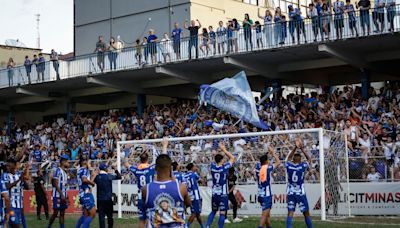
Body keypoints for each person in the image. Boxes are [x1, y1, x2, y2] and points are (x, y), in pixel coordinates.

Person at [124, 139, 168, 227]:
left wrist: (127, 150)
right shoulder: (151, 168)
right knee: (154, 218)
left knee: (142, 219)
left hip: (141, 196)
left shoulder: (136, 169)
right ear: (148, 159)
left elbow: (126, 163)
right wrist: (164, 146)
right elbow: (163, 161)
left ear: (140, 160)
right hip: (150, 195)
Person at [140, 154, 191, 228]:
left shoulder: (146, 189)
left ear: (155, 168)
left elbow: (144, 210)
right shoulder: (181, 187)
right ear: (171, 168)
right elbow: (188, 204)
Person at [206, 142, 235, 228]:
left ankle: (207, 226)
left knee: (213, 211)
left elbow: (213, 159)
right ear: (221, 160)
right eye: (223, 159)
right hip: (223, 194)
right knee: (222, 213)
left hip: (215, 193)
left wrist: (217, 152)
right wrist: (223, 149)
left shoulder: (212, 167)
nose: (224, 160)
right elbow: (232, 158)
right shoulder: (224, 167)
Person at [285, 139, 313, 228]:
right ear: (300, 159)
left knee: (290, 212)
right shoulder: (303, 166)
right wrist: (301, 149)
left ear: (293, 159)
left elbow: (288, 158)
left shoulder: (289, 165)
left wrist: (294, 148)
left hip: (291, 192)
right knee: (306, 213)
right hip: (300, 193)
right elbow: (309, 159)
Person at [255, 144, 281, 228]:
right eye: (268, 160)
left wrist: (267, 153)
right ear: (266, 161)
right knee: (264, 215)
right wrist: (273, 152)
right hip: (266, 195)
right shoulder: (268, 167)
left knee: (267, 215)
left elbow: (262, 161)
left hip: (260, 194)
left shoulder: (257, 167)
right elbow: (278, 162)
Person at [3, 159, 29, 228]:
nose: (7, 167)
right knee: (16, 225)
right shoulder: (5, 175)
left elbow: (27, 187)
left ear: (14, 166)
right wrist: (18, 180)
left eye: (9, 166)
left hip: (19, 206)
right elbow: (7, 186)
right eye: (7, 166)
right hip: (11, 206)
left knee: (12, 225)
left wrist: (22, 178)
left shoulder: (19, 174)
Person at [94, 163, 121, 228]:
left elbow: (93, 180)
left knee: (101, 217)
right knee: (109, 216)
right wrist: (115, 169)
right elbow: (119, 177)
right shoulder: (109, 176)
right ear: (105, 169)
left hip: (100, 199)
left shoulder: (97, 177)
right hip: (108, 199)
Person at [48, 154, 70, 228]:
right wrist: (62, 195)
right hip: (57, 196)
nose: (68, 163)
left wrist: (67, 196)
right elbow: (55, 183)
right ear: (63, 162)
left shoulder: (65, 172)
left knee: (62, 213)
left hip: (63, 195)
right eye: (67, 162)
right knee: (55, 213)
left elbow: (65, 186)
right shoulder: (58, 170)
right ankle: (49, 226)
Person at [76, 158, 96, 228]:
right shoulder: (84, 170)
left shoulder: (79, 170)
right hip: (86, 194)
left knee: (86, 215)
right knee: (93, 214)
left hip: (82, 194)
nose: (89, 164)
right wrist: (92, 183)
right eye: (89, 162)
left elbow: (85, 181)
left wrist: (93, 176)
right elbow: (84, 180)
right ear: (84, 162)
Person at [184, 163, 204, 228]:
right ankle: (187, 226)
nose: (195, 167)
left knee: (197, 213)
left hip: (188, 195)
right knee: (195, 213)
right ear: (192, 167)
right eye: (195, 166)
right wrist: (201, 177)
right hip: (195, 195)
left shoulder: (185, 175)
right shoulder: (194, 174)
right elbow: (201, 181)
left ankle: (202, 226)